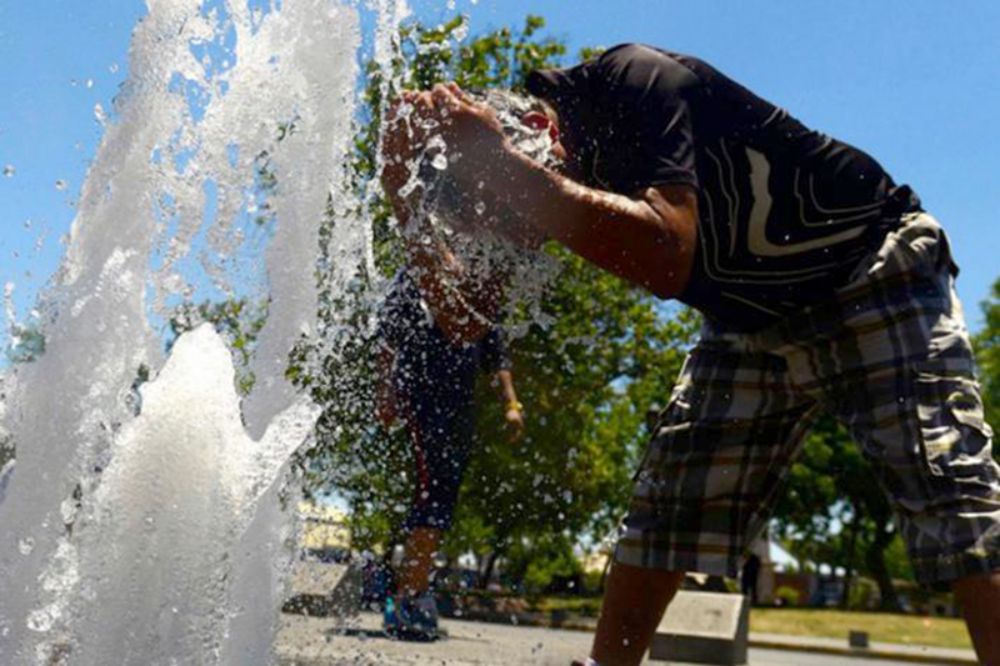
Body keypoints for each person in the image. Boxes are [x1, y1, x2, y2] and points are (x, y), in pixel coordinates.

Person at [383, 43, 1000, 665]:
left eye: (509, 213)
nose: (523, 234)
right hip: (749, 317)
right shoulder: (539, 178)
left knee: (948, 484)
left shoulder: (634, 79)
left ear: (536, 135)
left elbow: (667, 253)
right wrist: (404, 202)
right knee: (668, 505)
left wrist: (507, 172)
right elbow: (464, 321)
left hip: (868, 265)